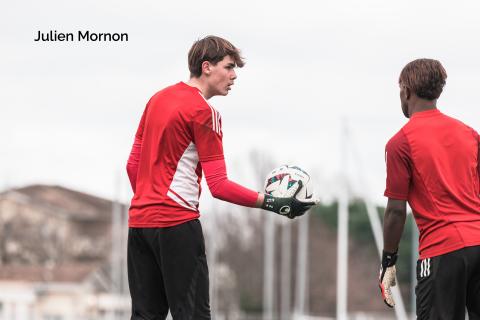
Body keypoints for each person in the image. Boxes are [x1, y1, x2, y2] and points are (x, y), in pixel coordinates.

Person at [126, 35, 316, 320]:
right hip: (177, 225)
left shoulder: (157, 99)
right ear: (207, 67)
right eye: (228, 67)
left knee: (145, 316)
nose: (234, 75)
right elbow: (219, 186)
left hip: (139, 225)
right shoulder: (204, 112)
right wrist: (273, 203)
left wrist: (149, 202)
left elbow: (132, 165)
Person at [379, 58, 480, 319]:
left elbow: (395, 212)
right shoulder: (469, 134)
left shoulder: (400, 143)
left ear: (406, 91)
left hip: (443, 251)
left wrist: (388, 261)